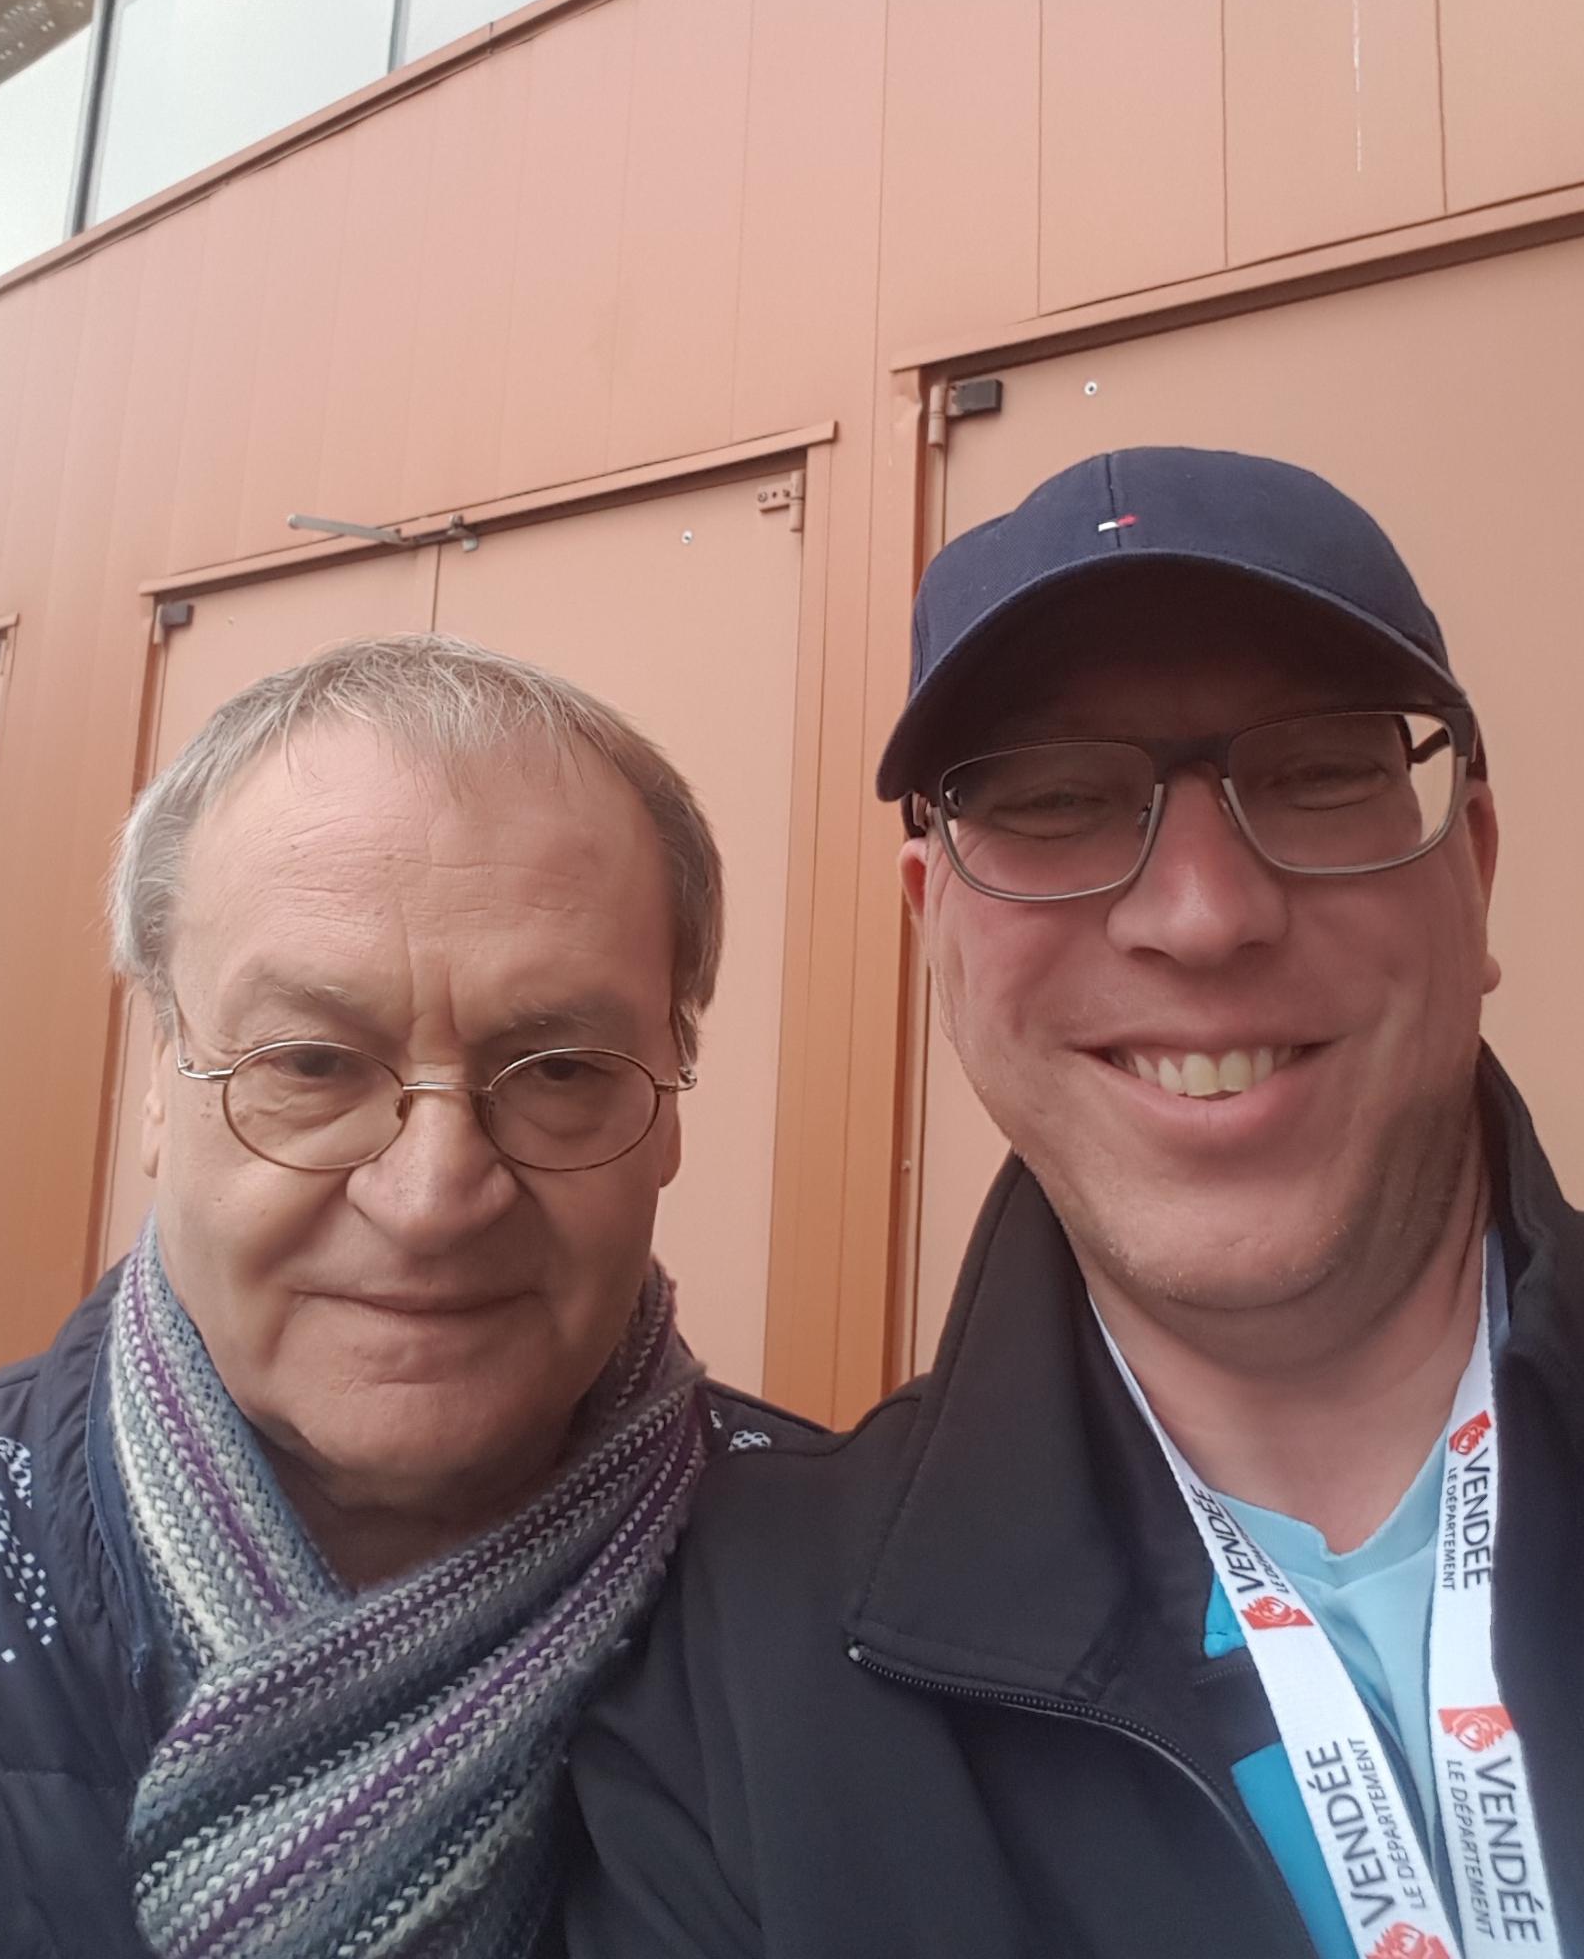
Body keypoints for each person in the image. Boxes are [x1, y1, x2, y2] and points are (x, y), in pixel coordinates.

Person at [0, 634, 807, 1959]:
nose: (432, 1197)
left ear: (668, 1105)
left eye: (556, 1071)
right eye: (312, 1062)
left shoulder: (860, 1636)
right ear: (158, 1084)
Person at [569, 446, 1584, 1959]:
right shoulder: (732, 1693)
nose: (1204, 914)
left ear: (1473, 874)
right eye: (1055, 802)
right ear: (938, 941)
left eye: (1313, 776)